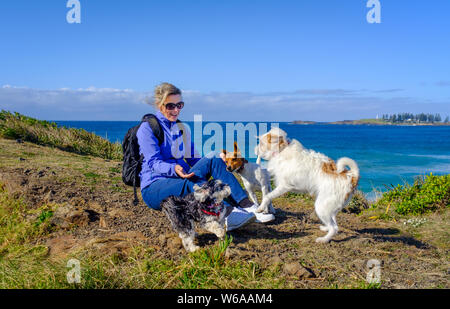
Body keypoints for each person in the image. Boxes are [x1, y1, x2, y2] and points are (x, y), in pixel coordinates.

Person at [137, 82, 275, 231]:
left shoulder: (181, 128)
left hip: (179, 179)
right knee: (192, 182)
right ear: (159, 105)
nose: (176, 110)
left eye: (180, 105)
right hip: (154, 187)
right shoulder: (147, 128)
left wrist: (216, 162)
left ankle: (246, 206)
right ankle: (227, 215)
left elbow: (195, 160)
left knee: (214, 158)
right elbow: (153, 163)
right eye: (170, 106)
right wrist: (174, 168)